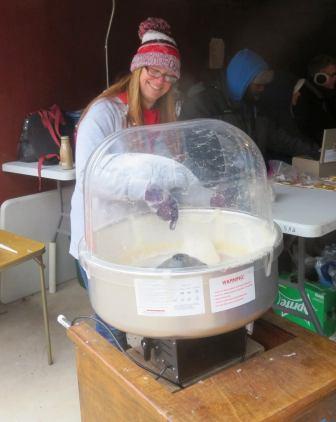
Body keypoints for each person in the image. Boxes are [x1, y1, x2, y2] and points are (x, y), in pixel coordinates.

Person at [69, 17, 183, 349]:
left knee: (149, 311)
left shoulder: (164, 114)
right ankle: (112, 385)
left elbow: (169, 168)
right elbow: (92, 176)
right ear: (138, 68)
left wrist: (201, 192)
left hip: (140, 234)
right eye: (154, 71)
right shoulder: (103, 113)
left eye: (168, 76)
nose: (160, 81)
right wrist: (146, 191)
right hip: (102, 234)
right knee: (112, 321)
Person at [180, 49, 319, 164]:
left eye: (264, 85)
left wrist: (317, 152)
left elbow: (280, 140)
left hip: (254, 181)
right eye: (258, 85)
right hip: (217, 187)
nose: (262, 89)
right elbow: (193, 150)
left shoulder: (254, 106)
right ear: (241, 81)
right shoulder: (203, 103)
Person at [292, 54, 336, 146]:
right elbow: (307, 131)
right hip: (314, 150)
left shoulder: (323, 93)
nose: (335, 79)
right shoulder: (304, 96)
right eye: (331, 75)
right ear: (319, 77)